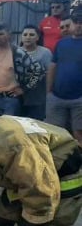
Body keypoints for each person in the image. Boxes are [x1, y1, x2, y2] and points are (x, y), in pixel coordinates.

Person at [0, 24, 43, 116]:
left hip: (10, 99)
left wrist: (25, 88)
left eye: (1, 34)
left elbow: (39, 70)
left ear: (9, 34)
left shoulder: (18, 53)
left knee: (10, 128)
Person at [46, 9, 82, 145]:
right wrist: (49, 92)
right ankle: (57, 165)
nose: (79, 25)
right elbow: (53, 67)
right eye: (76, 22)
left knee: (79, 134)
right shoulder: (61, 44)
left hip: (79, 98)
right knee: (54, 134)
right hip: (57, 96)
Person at [19, 25, 52, 121]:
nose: (28, 37)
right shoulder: (16, 52)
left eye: (31, 34)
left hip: (38, 97)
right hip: (19, 97)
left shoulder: (45, 53)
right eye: (25, 34)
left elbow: (50, 73)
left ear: (37, 37)